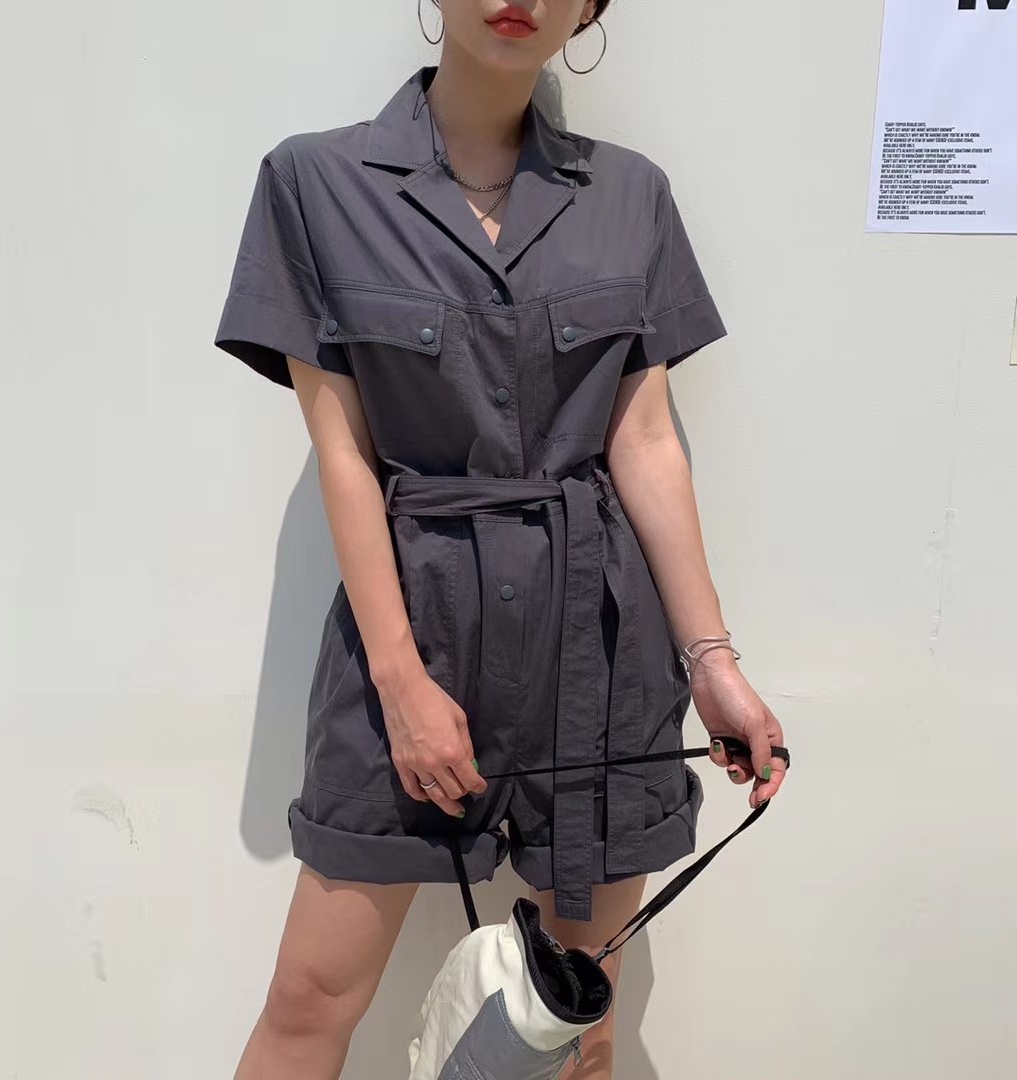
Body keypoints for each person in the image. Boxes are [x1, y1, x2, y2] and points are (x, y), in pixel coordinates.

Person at [214, 2, 789, 1076]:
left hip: (599, 649)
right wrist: (401, 686)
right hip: (413, 630)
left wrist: (714, 663)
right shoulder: (315, 182)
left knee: (573, 1026)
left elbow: (645, 440)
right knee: (309, 1001)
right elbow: (345, 454)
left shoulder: (630, 195)